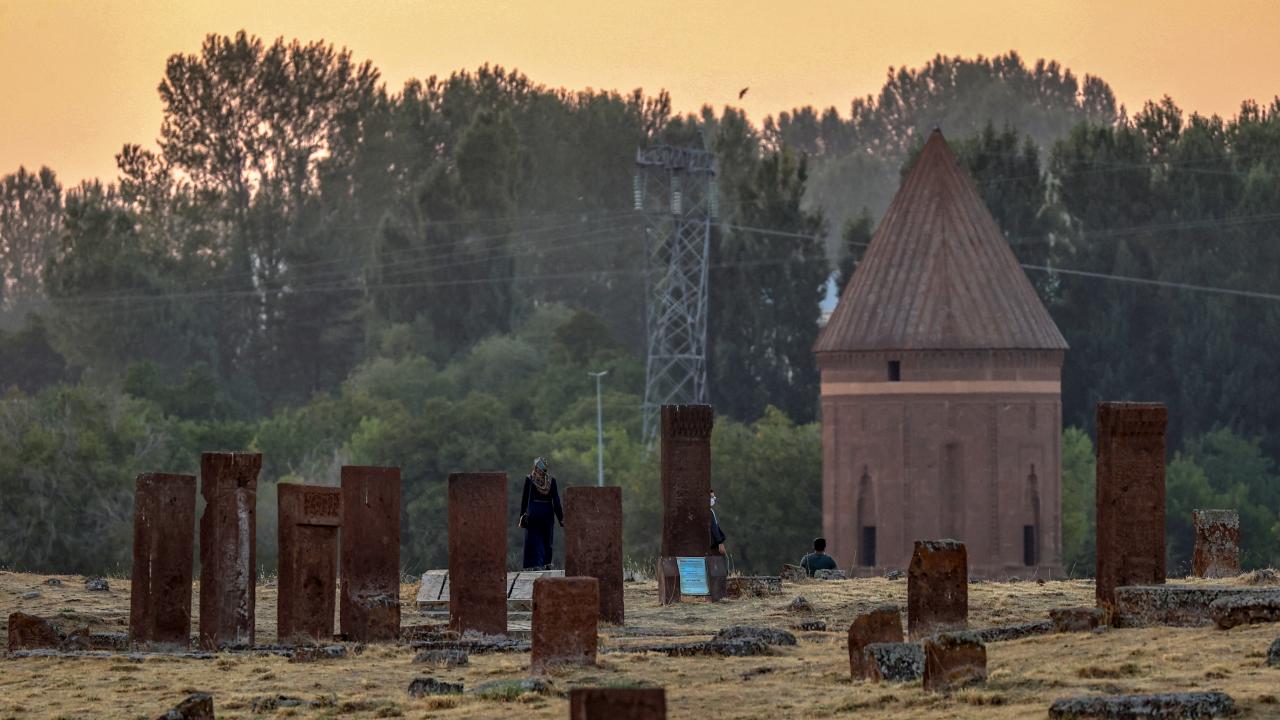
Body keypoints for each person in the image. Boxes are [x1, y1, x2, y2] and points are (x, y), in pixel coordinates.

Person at [519, 457, 563, 570]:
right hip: (548, 511)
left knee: (533, 538)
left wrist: (522, 515)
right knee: (547, 538)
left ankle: (533, 565)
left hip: (533, 511)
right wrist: (561, 518)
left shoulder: (529, 479)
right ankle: (546, 563)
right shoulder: (552, 480)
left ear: (535, 467)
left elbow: (525, 499)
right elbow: (556, 501)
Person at [709, 488, 726, 555]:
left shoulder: (710, 511)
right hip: (712, 545)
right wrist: (720, 543)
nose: (714, 499)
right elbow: (714, 527)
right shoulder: (709, 512)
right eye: (712, 497)